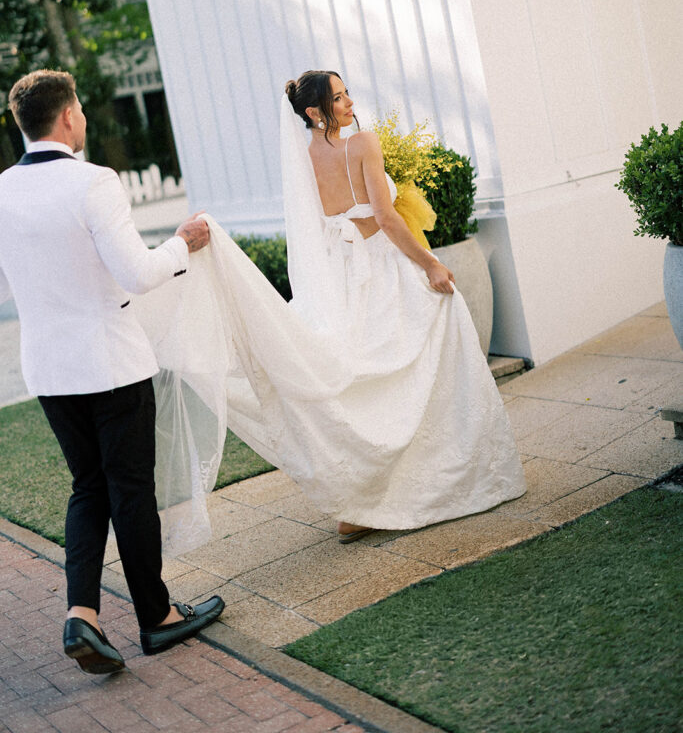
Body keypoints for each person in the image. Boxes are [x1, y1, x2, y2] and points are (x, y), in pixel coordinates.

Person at [140, 70, 526, 551]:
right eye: (338, 98)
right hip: (380, 267)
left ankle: (363, 502)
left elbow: (318, 228)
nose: (349, 103)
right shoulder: (363, 143)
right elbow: (385, 218)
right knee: (429, 346)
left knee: (359, 381)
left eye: (346, 95)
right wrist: (431, 264)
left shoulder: (301, 159)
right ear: (313, 112)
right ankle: (440, 479)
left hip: (338, 277)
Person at [0, 70, 225, 675]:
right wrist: (183, 242)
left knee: (88, 486)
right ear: (67, 116)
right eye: (79, 109)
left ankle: (83, 615)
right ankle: (157, 617)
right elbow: (138, 274)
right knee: (129, 489)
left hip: (48, 368)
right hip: (109, 363)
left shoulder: (1, 191)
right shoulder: (93, 180)